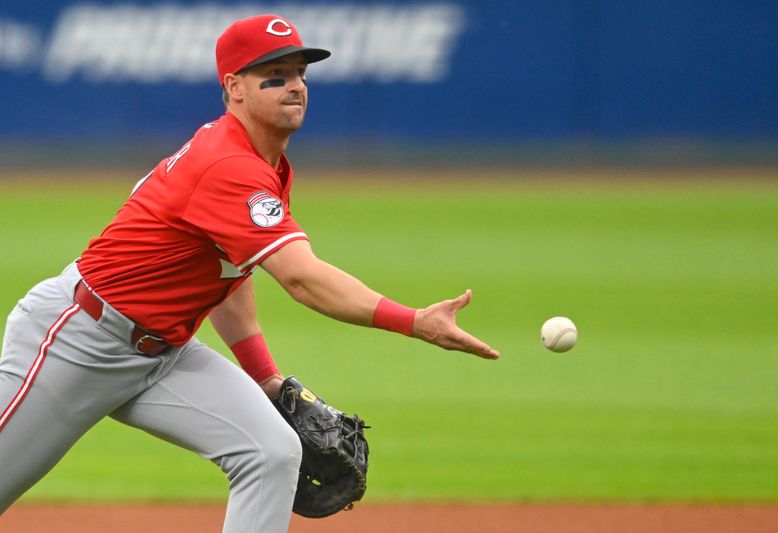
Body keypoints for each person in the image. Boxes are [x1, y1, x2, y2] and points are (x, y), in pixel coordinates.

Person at [0, 13, 499, 533]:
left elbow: (227, 272)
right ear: (234, 88)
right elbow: (302, 279)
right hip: (76, 341)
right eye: (275, 75)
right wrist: (414, 320)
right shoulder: (228, 166)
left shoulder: (265, 164)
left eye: (301, 74)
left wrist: (263, 377)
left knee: (271, 451)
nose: (295, 86)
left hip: (161, 355)